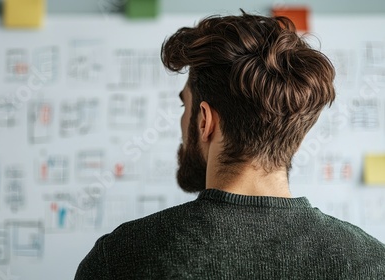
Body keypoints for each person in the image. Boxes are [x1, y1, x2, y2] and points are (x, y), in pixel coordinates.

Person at [75, 11, 385, 279]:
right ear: (298, 135)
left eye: (185, 107)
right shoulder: (372, 262)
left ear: (205, 121)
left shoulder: (121, 258)